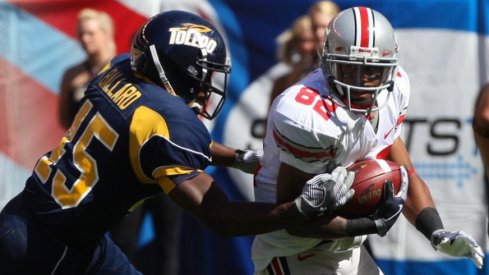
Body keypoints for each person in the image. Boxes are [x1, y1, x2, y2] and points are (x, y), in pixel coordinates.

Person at [0, 10, 355, 275]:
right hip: (50, 246)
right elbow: (218, 215)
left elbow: (143, 134)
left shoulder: (119, 71)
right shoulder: (164, 121)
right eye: (202, 77)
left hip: (41, 219)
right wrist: (298, 210)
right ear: (173, 70)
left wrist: (237, 157)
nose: (205, 89)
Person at [251, 6, 484, 274]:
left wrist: (436, 231)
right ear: (327, 62)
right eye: (349, 69)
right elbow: (293, 217)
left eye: (372, 70)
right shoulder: (304, 114)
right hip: (295, 252)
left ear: (390, 68)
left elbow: (405, 173)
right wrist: (368, 225)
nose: (361, 83)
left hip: (346, 247)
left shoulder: (395, 91)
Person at [59, 8, 116, 129]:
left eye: (90, 33)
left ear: (106, 34)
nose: (85, 39)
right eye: (81, 34)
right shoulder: (71, 74)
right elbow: (64, 119)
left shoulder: (120, 69)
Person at [269, 15, 316, 106]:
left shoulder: (327, 78)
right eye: (301, 41)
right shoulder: (281, 82)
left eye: (311, 41)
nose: (305, 47)